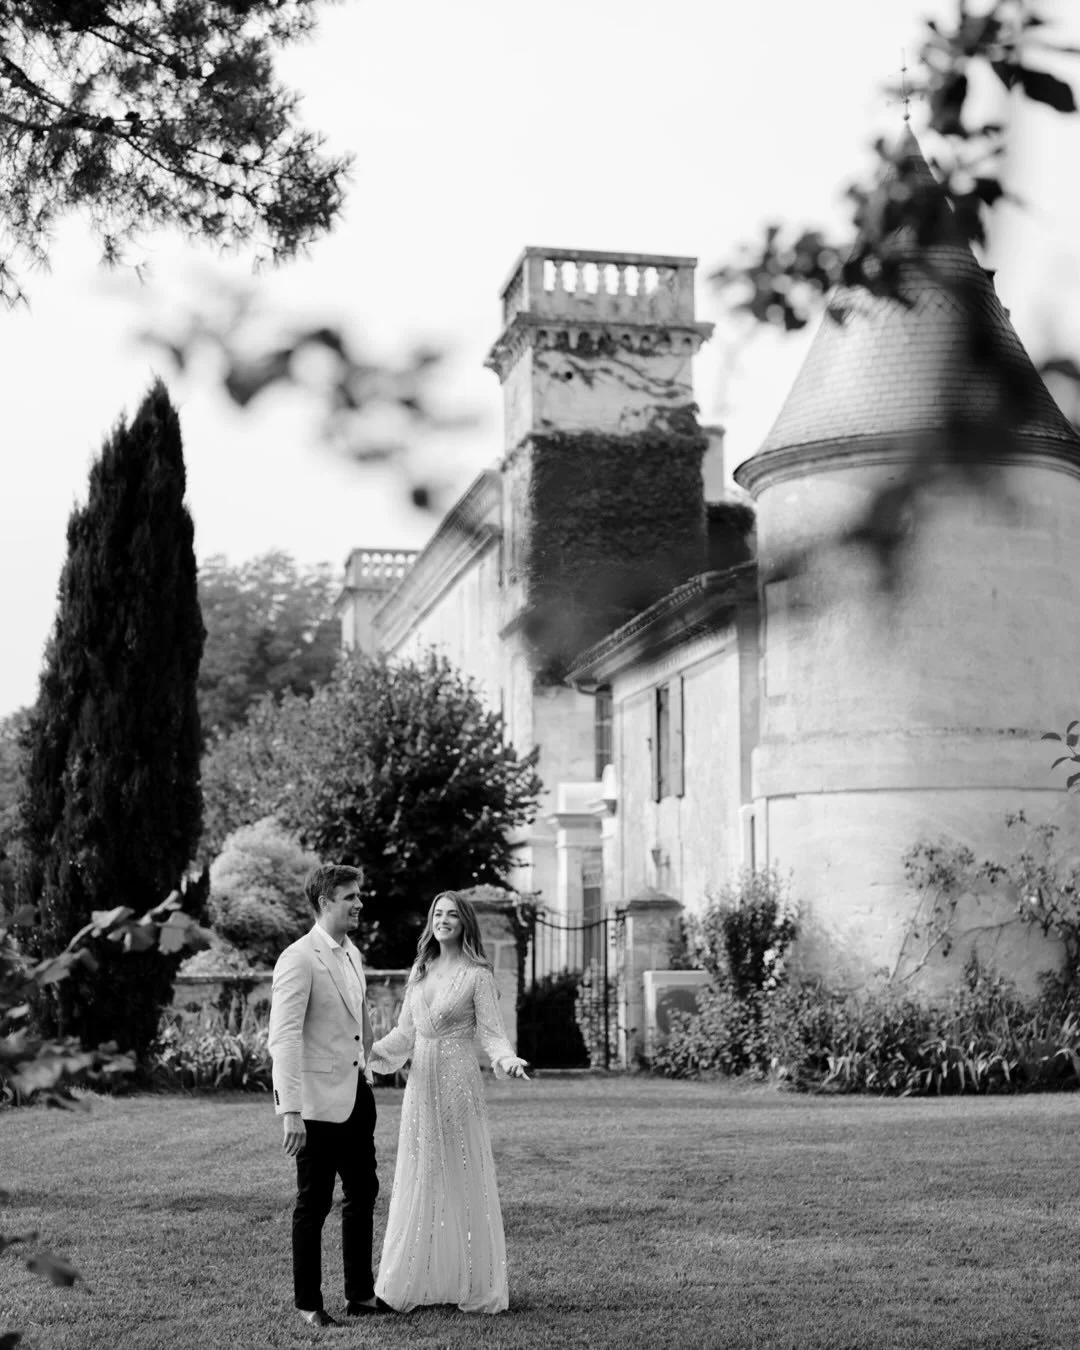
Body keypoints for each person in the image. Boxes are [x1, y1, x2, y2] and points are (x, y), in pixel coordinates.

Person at [369, 890, 530, 1315]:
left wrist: (507, 1059)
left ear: (464, 922)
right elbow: (405, 1033)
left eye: (452, 915)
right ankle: (411, 1281)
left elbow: (492, 1034)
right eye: (437, 913)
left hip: (459, 1083)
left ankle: (473, 1281)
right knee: (419, 1174)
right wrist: (368, 1055)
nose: (443, 920)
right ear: (431, 921)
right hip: (420, 1086)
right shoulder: (420, 969)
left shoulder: (477, 974)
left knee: (460, 1176)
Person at [267, 862, 386, 1330]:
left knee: (363, 1192)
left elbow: (361, 1024)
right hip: (314, 1105)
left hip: (358, 1096)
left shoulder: (353, 953)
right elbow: (284, 1037)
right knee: (313, 1203)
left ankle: (361, 1294)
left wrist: (374, 1068)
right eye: (350, 897)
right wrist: (290, 1109)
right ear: (324, 903)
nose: (358, 903)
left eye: (359, 895)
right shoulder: (297, 958)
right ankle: (308, 1303)